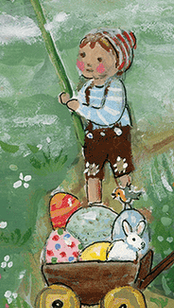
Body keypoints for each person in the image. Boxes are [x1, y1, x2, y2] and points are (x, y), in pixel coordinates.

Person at [58, 29, 140, 204]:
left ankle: (127, 201)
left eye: (99, 59)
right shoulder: (87, 87)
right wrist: (69, 102)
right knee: (92, 173)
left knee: (121, 169)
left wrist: (79, 108)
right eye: (83, 55)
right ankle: (95, 205)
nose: (88, 63)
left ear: (117, 63)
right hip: (94, 136)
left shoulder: (115, 87)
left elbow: (109, 116)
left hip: (116, 134)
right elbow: (79, 105)